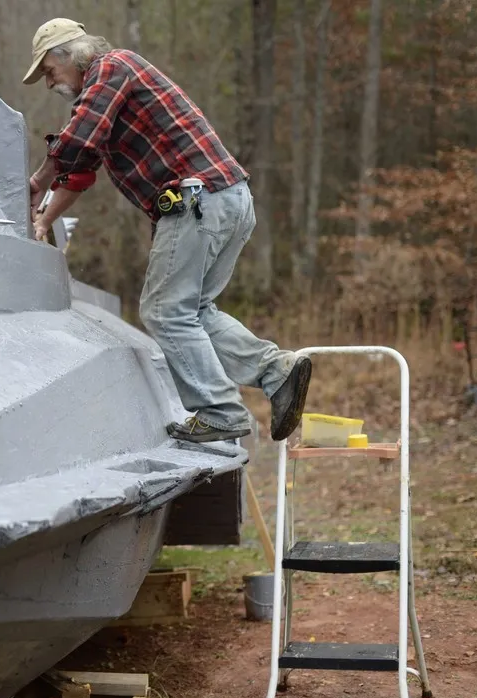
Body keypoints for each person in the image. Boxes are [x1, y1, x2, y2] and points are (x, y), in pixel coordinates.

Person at [23, 18, 311, 444]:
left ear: (70, 53)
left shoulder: (112, 66)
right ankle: (276, 371)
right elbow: (80, 169)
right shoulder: (103, 100)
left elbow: (77, 141)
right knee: (192, 313)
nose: (49, 83)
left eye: (48, 71)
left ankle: (219, 410)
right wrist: (44, 218)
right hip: (226, 199)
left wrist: (36, 181)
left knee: (163, 311)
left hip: (196, 202)